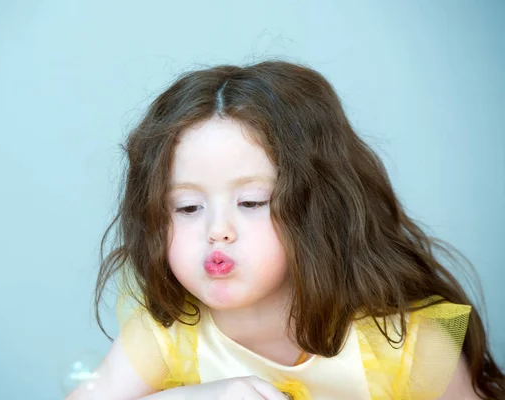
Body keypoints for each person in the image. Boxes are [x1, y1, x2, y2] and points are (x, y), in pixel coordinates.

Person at [66, 60, 504, 400]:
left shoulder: (408, 341)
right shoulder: (169, 333)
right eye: (187, 207)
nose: (217, 231)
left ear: (319, 207)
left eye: (252, 202)